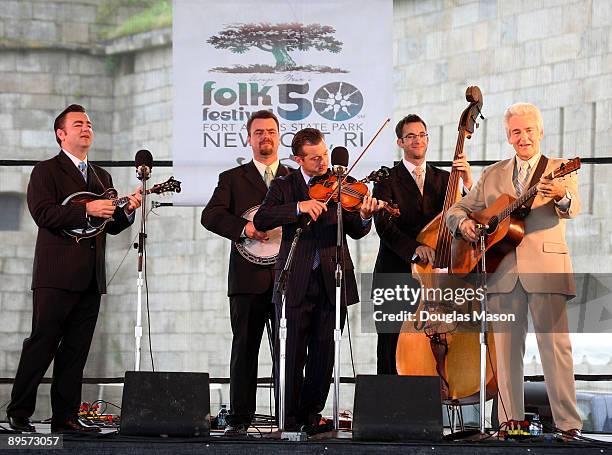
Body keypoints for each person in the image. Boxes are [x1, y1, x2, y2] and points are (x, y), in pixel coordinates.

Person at [446, 102, 582, 436]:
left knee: (556, 351)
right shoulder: (493, 174)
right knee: (505, 356)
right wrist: (463, 225)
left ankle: (568, 426)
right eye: (517, 132)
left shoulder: (562, 167)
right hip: (502, 272)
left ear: (541, 131)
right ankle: (510, 423)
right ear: (508, 136)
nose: (524, 137)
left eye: (529, 130)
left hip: (547, 268)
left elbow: (573, 207)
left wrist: (562, 195)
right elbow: (456, 210)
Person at [6, 104, 141, 433]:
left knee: (76, 351)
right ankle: (19, 413)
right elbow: (44, 215)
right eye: (78, 124)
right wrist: (87, 210)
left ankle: (65, 417)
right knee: (42, 343)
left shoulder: (101, 176)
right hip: (56, 275)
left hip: (91, 277)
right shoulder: (46, 171)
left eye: (89, 124)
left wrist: (127, 211)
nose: (86, 128)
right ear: (61, 134)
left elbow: (109, 226)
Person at [253, 128, 382, 433]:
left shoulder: (339, 184)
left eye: (324, 154)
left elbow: (355, 228)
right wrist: (298, 207)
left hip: (332, 278)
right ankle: (289, 418)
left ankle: (312, 415)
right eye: (314, 158)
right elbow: (262, 219)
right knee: (292, 352)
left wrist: (365, 216)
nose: (323, 162)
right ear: (298, 158)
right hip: (295, 278)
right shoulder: (285, 185)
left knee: (325, 353)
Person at [201, 110, 289, 436]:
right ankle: (239, 421)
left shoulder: (294, 178)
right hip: (247, 280)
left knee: (288, 354)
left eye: (270, 131)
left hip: (286, 280)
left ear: (279, 136)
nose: (265, 137)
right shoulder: (232, 179)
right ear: (248, 138)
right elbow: (210, 216)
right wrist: (245, 228)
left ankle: (289, 419)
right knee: (244, 352)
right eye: (258, 132)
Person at [373, 114, 472, 375]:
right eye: (411, 136)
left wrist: (468, 182)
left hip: (434, 277)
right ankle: (389, 410)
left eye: (422, 135)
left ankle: (429, 406)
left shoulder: (446, 179)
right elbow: (383, 225)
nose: (417, 140)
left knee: (434, 343)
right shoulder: (386, 179)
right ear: (400, 142)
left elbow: (466, 217)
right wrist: (415, 249)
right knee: (390, 345)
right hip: (394, 272)